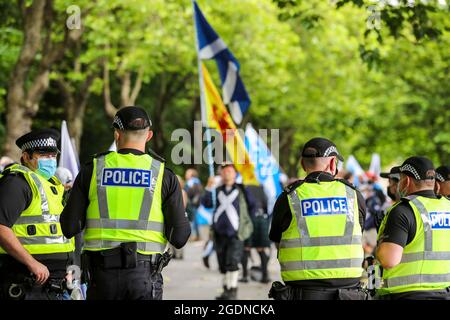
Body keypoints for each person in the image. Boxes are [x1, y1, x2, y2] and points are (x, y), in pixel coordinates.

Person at [60, 106, 191, 300]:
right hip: (145, 277)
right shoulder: (164, 174)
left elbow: (69, 227)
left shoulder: (93, 170)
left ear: (117, 134)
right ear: (149, 136)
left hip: (101, 277)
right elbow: (179, 238)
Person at [269, 137, 368, 300]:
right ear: (332, 163)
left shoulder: (289, 197)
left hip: (302, 290)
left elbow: (277, 239)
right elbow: (359, 231)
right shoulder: (353, 195)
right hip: (348, 291)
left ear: (302, 164)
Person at [0, 129, 74, 300]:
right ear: (26, 157)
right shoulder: (17, 183)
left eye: (52, 155)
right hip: (26, 278)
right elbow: (1, 227)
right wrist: (31, 262)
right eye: (43, 155)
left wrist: (71, 270)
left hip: (55, 282)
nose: (50, 160)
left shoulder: (54, 186)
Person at [376, 156, 450, 300]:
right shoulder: (447, 206)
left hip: (406, 294)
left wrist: (380, 243)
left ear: (407, 181)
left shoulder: (404, 210)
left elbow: (388, 260)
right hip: (444, 292)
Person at [201, 163, 256, 300]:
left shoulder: (242, 189)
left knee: (232, 261)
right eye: (224, 171)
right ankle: (226, 289)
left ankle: (232, 290)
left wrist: (247, 226)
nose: (226, 173)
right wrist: (208, 186)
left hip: (236, 234)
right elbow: (206, 203)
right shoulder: (216, 190)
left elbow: (252, 206)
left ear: (235, 173)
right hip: (219, 234)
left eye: (229, 171)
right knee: (223, 264)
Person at [240, 185, 271, 284]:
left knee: (246, 248)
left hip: (248, 219)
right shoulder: (261, 187)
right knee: (260, 248)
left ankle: (245, 276)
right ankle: (265, 276)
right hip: (261, 218)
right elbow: (266, 203)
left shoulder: (243, 187)